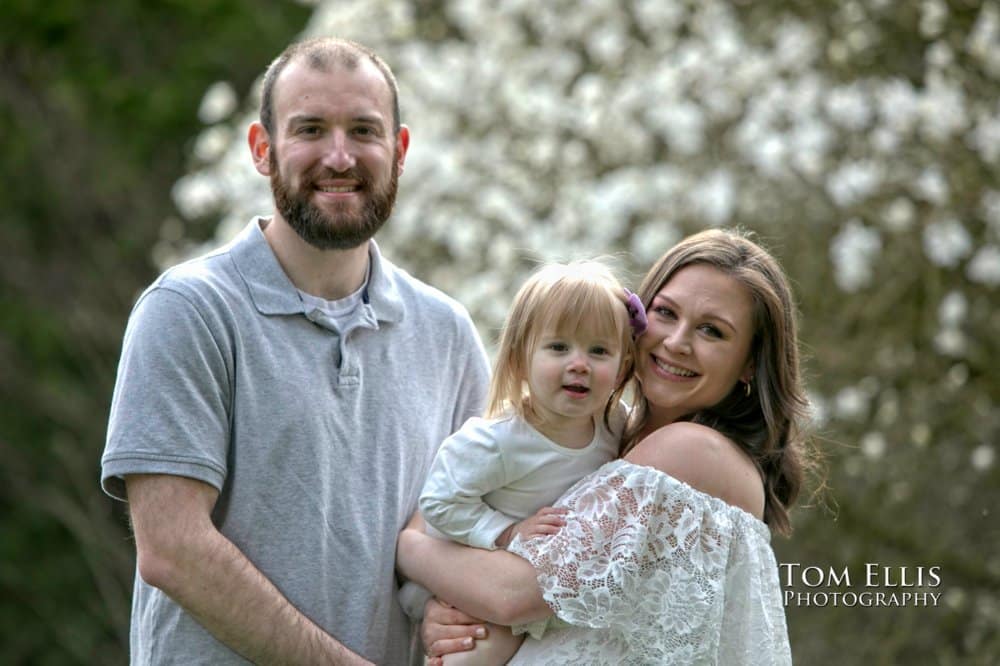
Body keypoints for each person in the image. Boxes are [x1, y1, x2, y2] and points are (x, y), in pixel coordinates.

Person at [100, 37, 490, 665]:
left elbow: (464, 527)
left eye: (364, 130)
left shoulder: (447, 334)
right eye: (311, 129)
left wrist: (451, 608)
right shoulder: (190, 311)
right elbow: (172, 548)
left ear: (400, 150)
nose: (339, 157)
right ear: (263, 149)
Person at [399, 228, 812, 664]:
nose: (676, 342)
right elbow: (456, 518)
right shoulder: (602, 433)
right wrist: (441, 608)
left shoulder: (692, 451)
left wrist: (410, 551)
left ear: (750, 362)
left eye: (711, 331)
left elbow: (512, 593)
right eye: (666, 313)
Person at [400, 261, 641, 664]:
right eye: (558, 347)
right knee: (469, 656)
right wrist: (506, 532)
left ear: (622, 368)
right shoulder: (497, 440)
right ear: (519, 358)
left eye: (599, 351)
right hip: (470, 576)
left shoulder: (617, 424)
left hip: (542, 584)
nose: (579, 363)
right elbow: (439, 503)